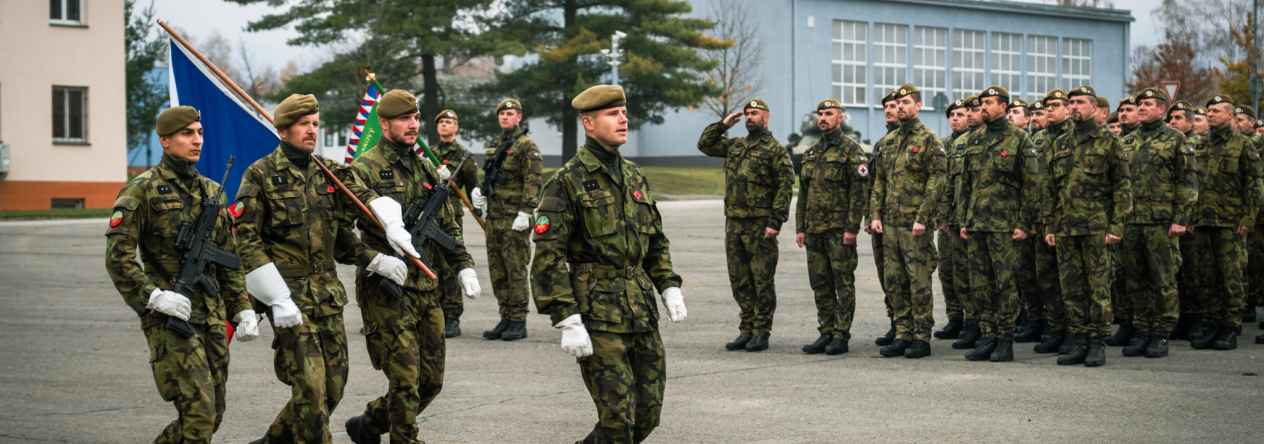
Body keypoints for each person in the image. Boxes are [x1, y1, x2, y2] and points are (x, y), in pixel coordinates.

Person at [235, 94, 417, 444]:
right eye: (304, 124)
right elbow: (246, 240)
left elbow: (348, 227)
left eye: (315, 124)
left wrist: (375, 257)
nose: (312, 131)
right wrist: (275, 297)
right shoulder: (260, 175)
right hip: (289, 299)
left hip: (328, 298)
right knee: (312, 392)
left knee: (333, 388)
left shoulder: (328, 171)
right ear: (283, 130)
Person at [531, 84, 688, 443]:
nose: (624, 119)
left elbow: (655, 241)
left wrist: (668, 285)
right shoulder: (565, 181)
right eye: (613, 114)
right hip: (597, 314)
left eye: (624, 112)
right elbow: (547, 256)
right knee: (618, 421)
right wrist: (565, 316)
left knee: (646, 415)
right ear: (589, 122)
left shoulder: (634, 175)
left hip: (640, 310)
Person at [105, 106, 258, 443]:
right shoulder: (140, 191)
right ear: (164, 140)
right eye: (188, 133)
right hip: (170, 316)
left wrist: (241, 307)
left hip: (212, 315)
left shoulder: (212, 191)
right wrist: (154, 297)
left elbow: (227, 260)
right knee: (199, 415)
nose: (197, 140)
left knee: (213, 414)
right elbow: (118, 259)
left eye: (200, 132)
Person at [344, 91, 482, 444]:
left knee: (430, 382)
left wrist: (464, 264)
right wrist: (373, 259)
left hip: (424, 287)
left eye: (416, 118)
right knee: (405, 379)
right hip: (385, 288)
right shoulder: (364, 168)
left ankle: (369, 424)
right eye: (405, 119)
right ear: (385, 123)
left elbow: (448, 223)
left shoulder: (424, 167)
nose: (413, 125)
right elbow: (339, 230)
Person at [1042, 85, 1132, 368]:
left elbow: (1123, 187)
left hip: (1097, 229)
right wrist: (1049, 225)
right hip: (1066, 229)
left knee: (1098, 289)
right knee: (1071, 289)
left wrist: (1117, 225)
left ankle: (1097, 343)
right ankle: (1079, 339)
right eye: (1072, 103)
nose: (1074, 107)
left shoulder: (1110, 142)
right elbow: (1051, 189)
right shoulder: (1061, 143)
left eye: (1080, 102)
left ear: (1094, 108)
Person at [696, 98, 794, 352]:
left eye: (755, 113)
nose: (750, 117)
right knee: (739, 279)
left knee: (762, 280)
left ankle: (761, 331)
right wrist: (722, 125)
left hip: (761, 224)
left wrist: (776, 221)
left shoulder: (775, 149)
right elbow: (705, 145)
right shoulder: (735, 145)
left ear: (766, 117)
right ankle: (746, 329)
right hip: (734, 223)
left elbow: (785, 188)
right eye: (748, 114)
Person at [954, 86, 1039, 362]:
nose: (983, 107)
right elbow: (965, 183)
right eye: (982, 103)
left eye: (989, 103)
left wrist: (1025, 222)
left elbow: (1031, 185)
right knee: (980, 284)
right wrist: (964, 219)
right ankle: (987, 336)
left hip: (1005, 226)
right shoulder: (974, 138)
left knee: (1006, 284)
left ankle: (1005, 339)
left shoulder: (1019, 139)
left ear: (1003, 107)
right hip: (977, 225)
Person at [1114, 87, 1197, 359]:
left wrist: (1181, 220)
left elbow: (1187, 183)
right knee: (1136, 281)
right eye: (1139, 104)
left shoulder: (1177, 139)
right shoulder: (1127, 141)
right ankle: (1143, 330)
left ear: (1162, 109)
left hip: (1162, 223)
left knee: (1164, 279)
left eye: (1148, 104)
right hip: (1132, 223)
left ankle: (1162, 333)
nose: (1141, 108)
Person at [868, 83, 947, 358]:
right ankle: (902, 333)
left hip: (914, 226)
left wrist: (923, 217)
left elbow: (937, 181)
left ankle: (921, 336)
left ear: (918, 106)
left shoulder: (929, 139)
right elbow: (879, 181)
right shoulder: (888, 142)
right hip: (889, 224)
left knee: (919, 281)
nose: (900, 107)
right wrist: (875, 215)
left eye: (906, 103)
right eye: (897, 103)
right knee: (895, 281)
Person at [1189, 94, 1264, 351]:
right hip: (1204, 221)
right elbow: (1192, 185)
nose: (1210, 114)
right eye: (1209, 110)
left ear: (1230, 115)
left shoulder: (1243, 145)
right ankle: (1213, 324)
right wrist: (1190, 216)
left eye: (1217, 111)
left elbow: (1255, 184)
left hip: (1231, 223)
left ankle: (1230, 328)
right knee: (1206, 278)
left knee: (1231, 277)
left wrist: (1248, 217)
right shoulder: (1200, 145)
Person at [796, 98, 870, 356]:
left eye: (829, 113)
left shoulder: (852, 150)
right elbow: (803, 194)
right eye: (820, 114)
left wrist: (852, 227)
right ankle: (825, 331)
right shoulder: (811, 151)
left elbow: (859, 193)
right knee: (820, 283)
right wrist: (800, 228)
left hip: (840, 231)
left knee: (842, 282)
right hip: (814, 230)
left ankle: (841, 335)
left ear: (840, 118)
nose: (823, 118)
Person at [470, 99, 543, 341]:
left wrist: (526, 211)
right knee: (497, 272)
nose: (505, 117)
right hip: (495, 218)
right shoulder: (493, 144)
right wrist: (480, 192)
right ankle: (506, 316)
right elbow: (488, 176)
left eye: (510, 114)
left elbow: (533, 182)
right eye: (501, 113)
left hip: (515, 220)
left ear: (519, 117)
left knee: (516, 271)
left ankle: (518, 321)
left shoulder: (526, 145)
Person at [432, 109, 483, 338]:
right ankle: (435, 313)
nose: (444, 125)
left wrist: (479, 205)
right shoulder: (429, 153)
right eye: (441, 122)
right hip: (431, 214)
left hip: (451, 216)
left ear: (456, 127)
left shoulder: (464, 155)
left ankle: (452, 316)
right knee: (432, 264)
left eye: (448, 122)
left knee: (449, 264)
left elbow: (473, 187)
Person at [1032, 89, 1075, 355]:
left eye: (1056, 105)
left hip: (1069, 219)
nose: (1050, 109)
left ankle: (1074, 331)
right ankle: (1056, 329)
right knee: (1046, 278)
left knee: (1070, 280)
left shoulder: (1075, 137)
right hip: (1042, 219)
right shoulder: (1037, 139)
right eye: (1047, 105)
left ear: (1068, 109)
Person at [933, 98, 971, 341]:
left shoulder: (975, 142)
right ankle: (955, 318)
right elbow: (939, 184)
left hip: (968, 223)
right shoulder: (942, 145)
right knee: (947, 272)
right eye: (951, 115)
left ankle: (974, 321)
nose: (955, 118)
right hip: (946, 222)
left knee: (968, 273)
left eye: (960, 114)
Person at [869, 90, 902, 347]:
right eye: (887, 107)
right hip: (881, 223)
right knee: (886, 276)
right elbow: (873, 184)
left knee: (907, 277)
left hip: (905, 222)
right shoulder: (881, 144)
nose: (889, 110)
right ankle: (895, 322)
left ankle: (909, 327)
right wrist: (871, 216)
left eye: (894, 105)